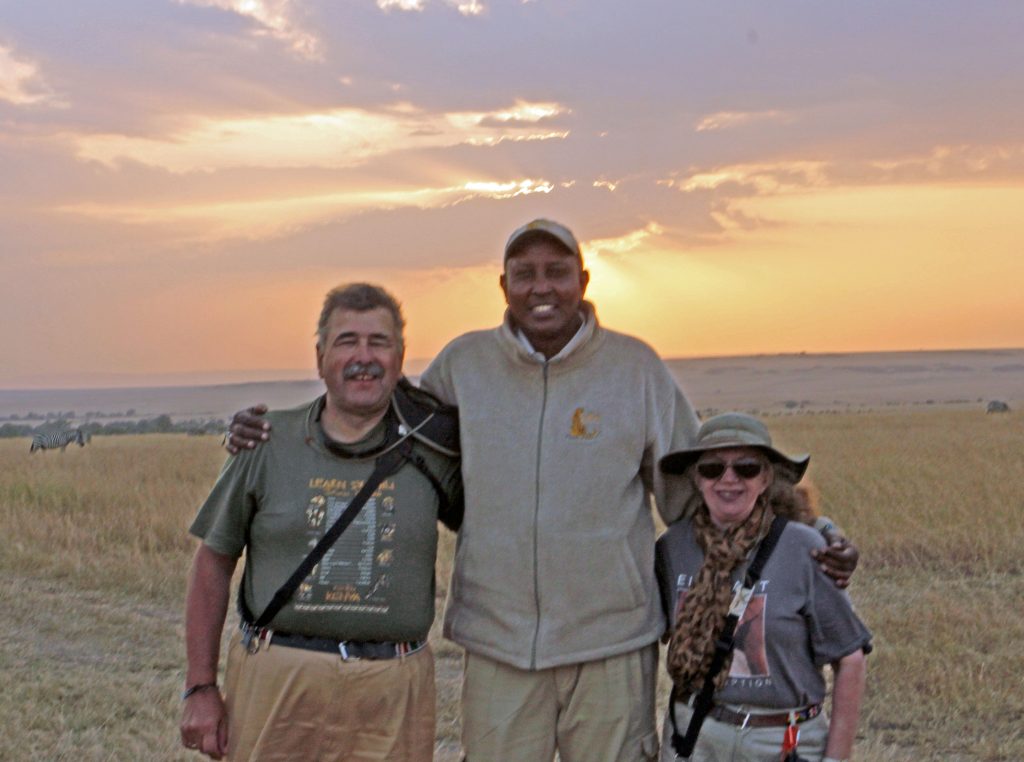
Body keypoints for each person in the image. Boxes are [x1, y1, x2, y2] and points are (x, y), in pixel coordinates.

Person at [226, 220, 859, 761]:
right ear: (503, 287)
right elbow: (373, 415)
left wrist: (812, 534)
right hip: (498, 643)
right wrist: (274, 431)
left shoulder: (635, 368)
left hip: (611, 645)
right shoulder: (463, 365)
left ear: (584, 281)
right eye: (524, 273)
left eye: (557, 271)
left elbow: (709, 488)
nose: (541, 287)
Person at [180, 283, 462, 761]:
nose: (364, 357)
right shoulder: (266, 441)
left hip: (392, 688)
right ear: (320, 357)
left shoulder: (437, 450)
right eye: (347, 341)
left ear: (400, 357)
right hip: (278, 679)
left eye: (379, 342)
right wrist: (200, 686)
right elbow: (213, 561)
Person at [655, 413, 871, 762]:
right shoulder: (673, 548)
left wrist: (835, 759)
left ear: (766, 478)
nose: (729, 479)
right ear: (696, 478)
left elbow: (850, 658)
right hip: (695, 735)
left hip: (781, 742)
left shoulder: (805, 547)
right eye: (712, 468)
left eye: (746, 468)